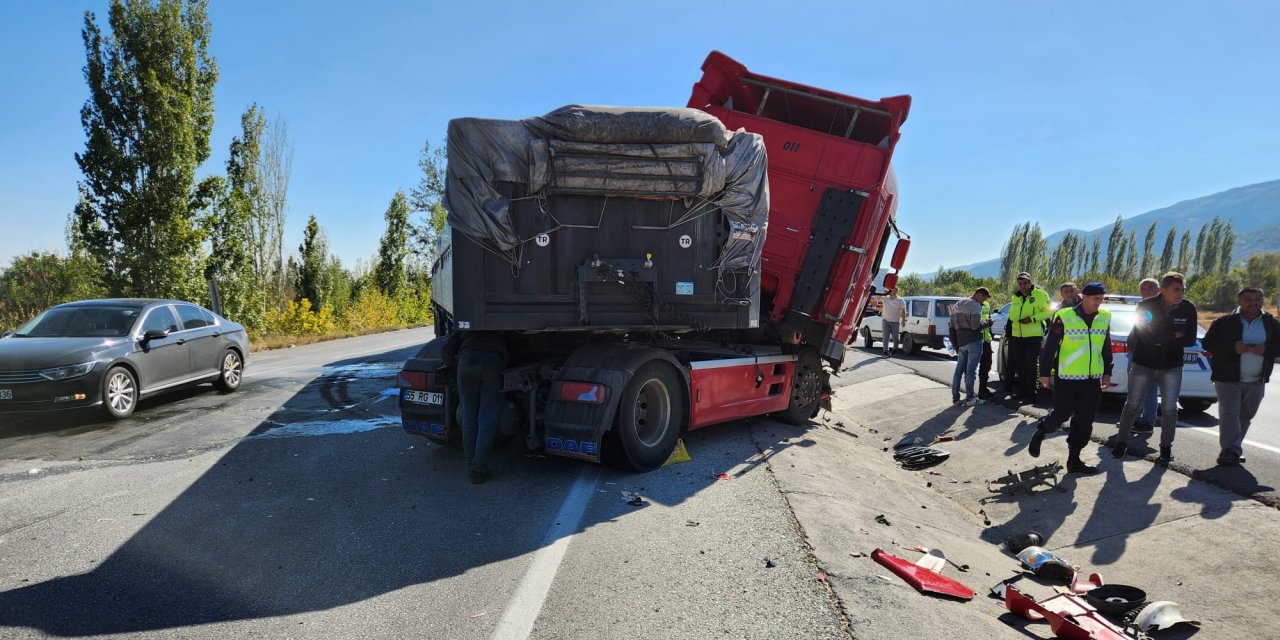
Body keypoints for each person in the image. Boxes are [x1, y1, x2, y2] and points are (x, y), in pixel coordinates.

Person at [1027, 282, 1113, 475]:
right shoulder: (1064, 316)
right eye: (1095, 299)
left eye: (1101, 299)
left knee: (1085, 420)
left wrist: (1108, 370)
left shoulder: (1104, 317)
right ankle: (1042, 430)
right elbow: (1050, 347)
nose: (1098, 303)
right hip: (1068, 377)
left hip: (1092, 379)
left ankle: (1074, 460)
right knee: (1061, 414)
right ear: (1084, 297)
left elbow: (1105, 346)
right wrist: (1045, 373)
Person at [1111, 272, 1197, 462]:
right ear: (1163, 290)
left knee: (1169, 409)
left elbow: (1190, 338)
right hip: (1144, 363)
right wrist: (1174, 335)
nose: (1180, 293)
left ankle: (1166, 448)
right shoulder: (1146, 306)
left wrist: (1163, 337)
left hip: (1172, 365)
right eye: (1176, 290)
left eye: (1183, 290)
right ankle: (1121, 443)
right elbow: (1144, 336)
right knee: (1132, 404)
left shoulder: (1188, 308)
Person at [1202, 287, 1280, 466]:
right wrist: (1232, 347)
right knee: (1230, 414)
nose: (1252, 302)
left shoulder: (1271, 323)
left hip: (1257, 380)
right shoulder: (1224, 321)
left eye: (1257, 298)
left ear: (1262, 300)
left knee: (1245, 417)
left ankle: (1232, 448)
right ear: (1239, 301)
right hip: (1227, 379)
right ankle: (1231, 451)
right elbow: (1208, 343)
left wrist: (1266, 350)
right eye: (1247, 299)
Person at [456, 330, 509, 484]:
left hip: (467, 361)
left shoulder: (466, 318)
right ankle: (478, 469)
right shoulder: (497, 321)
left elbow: (449, 346)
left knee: (468, 414)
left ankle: (471, 462)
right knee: (488, 415)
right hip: (492, 362)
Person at [1004, 272, 1052, 404]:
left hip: (1033, 336)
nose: (1023, 286)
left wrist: (1032, 319)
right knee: (1020, 367)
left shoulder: (1040, 295)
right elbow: (1012, 317)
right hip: (1017, 336)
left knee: (1031, 367)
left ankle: (1032, 394)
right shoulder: (1016, 297)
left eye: (1025, 283)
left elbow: (1049, 312)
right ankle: (1022, 392)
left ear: (1031, 283)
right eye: (1020, 283)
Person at [949, 287, 992, 406]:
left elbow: (951, 327)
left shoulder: (958, 304)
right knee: (971, 371)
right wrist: (988, 323)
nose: (983, 302)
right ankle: (970, 398)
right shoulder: (975, 306)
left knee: (958, 370)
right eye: (984, 299)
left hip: (961, 342)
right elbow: (975, 326)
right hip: (974, 341)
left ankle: (955, 398)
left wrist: (955, 344)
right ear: (982, 295)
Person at [1131, 278, 1162, 432]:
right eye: (1143, 288)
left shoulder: (1159, 307)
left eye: (1150, 288)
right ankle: (1135, 419)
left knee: (1149, 390)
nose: (1146, 291)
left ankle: (1147, 422)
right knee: (1139, 390)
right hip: (1139, 353)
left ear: (1159, 290)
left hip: (1151, 356)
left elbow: (1148, 331)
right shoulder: (1142, 306)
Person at [881, 288, 908, 357]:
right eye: (890, 290)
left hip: (895, 321)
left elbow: (903, 310)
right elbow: (877, 298)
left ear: (896, 291)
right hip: (886, 320)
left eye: (892, 290)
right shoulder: (885, 297)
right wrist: (883, 293)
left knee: (895, 337)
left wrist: (903, 320)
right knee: (885, 336)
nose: (890, 291)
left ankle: (895, 349)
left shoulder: (900, 300)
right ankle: (885, 351)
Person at [978, 296, 995, 398]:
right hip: (975, 340)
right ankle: (970, 392)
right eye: (983, 296)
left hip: (986, 340)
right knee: (970, 368)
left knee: (986, 365)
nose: (984, 299)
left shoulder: (986, 305)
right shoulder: (973, 306)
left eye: (986, 297)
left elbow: (988, 319)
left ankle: (983, 389)